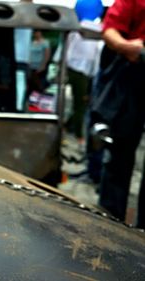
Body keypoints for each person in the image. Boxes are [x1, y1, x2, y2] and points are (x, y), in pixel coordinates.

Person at [95, 0, 145, 228]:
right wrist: (127, 46)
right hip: (133, 76)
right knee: (119, 153)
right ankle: (109, 225)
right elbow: (110, 30)